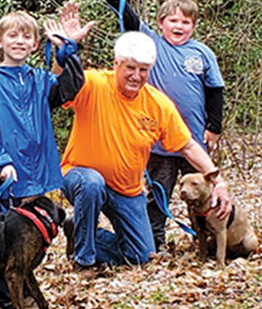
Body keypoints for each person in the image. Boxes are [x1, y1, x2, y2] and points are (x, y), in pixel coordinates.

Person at [60, 24, 232, 270]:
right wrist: (64, 48)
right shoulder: (93, 83)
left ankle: (80, 233)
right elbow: (58, 82)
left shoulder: (157, 104)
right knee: (92, 183)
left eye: (143, 70)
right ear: (116, 63)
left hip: (127, 190)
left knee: (140, 256)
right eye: (130, 67)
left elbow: (188, 146)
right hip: (80, 177)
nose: (136, 75)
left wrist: (219, 182)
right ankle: (84, 260)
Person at [79, 0, 225, 246]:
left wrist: (214, 128)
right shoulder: (151, 45)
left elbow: (215, 91)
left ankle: (208, 239)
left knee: (202, 192)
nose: (178, 26)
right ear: (161, 23)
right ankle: (154, 241)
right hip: (157, 142)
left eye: (185, 21)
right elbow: (129, 16)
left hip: (192, 139)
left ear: (193, 25)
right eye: (173, 21)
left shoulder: (202, 53)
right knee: (158, 194)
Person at [0, 8, 86, 309]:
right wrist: (0, 162)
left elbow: (70, 87)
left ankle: (26, 297)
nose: (19, 41)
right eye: (12, 35)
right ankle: (6, 304)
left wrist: (66, 48)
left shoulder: (39, 79)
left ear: (35, 44)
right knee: (3, 237)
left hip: (38, 174)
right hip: (7, 176)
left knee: (31, 237)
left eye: (26, 36)